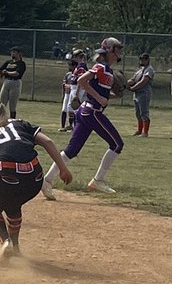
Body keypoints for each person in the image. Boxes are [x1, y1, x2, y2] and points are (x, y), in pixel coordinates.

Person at [0, 95, 73, 264]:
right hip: (35, 178)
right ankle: (15, 247)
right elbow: (48, 141)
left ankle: (5, 242)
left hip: (7, 175)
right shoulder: (20, 123)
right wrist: (63, 169)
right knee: (12, 204)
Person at [42, 37, 125, 197]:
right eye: (117, 49)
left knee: (71, 150)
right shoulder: (101, 67)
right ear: (109, 50)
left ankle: (47, 180)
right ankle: (98, 180)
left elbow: (103, 94)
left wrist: (114, 96)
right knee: (117, 144)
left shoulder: (107, 70)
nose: (119, 53)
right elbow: (81, 80)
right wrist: (99, 98)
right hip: (92, 111)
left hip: (86, 112)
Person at [128, 52, 155, 137]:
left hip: (144, 93)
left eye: (143, 59)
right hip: (137, 93)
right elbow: (133, 79)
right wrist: (128, 82)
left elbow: (143, 81)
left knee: (144, 112)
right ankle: (139, 130)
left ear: (147, 60)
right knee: (138, 113)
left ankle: (145, 132)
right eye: (141, 59)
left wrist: (133, 88)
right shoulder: (139, 70)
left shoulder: (149, 69)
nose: (141, 61)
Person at [0, 47, 27, 118]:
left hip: (15, 83)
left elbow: (17, 73)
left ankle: (12, 119)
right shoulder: (8, 62)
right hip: (6, 82)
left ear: (19, 54)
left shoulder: (21, 63)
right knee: (1, 103)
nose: (12, 54)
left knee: (12, 104)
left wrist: (7, 72)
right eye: (12, 52)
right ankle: (0, 119)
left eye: (14, 52)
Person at [59, 57, 81, 132]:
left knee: (72, 109)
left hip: (73, 93)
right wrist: (63, 94)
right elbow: (64, 85)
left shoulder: (77, 74)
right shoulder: (68, 75)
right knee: (64, 109)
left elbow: (77, 84)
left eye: (71, 66)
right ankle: (63, 126)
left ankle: (71, 125)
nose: (69, 67)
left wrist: (70, 86)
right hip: (67, 93)